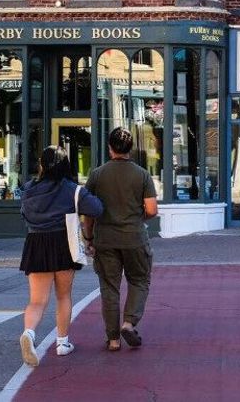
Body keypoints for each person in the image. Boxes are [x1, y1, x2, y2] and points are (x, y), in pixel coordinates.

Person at [17, 146, 103, 367]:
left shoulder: (28, 189)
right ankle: (63, 343)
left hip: (36, 243)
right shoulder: (72, 190)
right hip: (64, 243)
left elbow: (24, 215)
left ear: (42, 165)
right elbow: (97, 208)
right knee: (63, 296)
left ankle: (29, 333)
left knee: (37, 301)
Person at [82, 127, 158, 352]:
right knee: (139, 280)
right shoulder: (142, 174)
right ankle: (129, 322)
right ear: (131, 148)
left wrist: (88, 237)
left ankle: (113, 339)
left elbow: (88, 212)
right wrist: (137, 218)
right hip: (134, 237)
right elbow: (152, 209)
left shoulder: (97, 175)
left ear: (110, 147)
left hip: (105, 239)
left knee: (109, 287)